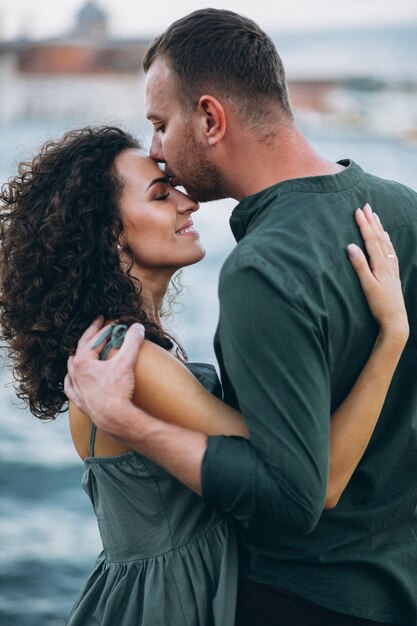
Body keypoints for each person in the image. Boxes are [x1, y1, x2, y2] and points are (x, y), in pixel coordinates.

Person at [64, 9, 417, 626]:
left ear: (209, 118)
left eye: (160, 125)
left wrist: (125, 419)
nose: (160, 154)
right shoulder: (401, 209)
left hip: (303, 598)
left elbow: (293, 491)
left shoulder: (264, 267)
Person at [0, 125, 409, 626]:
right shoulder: (133, 360)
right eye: (160, 194)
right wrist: (390, 337)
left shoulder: (130, 346)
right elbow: (309, 478)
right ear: (108, 232)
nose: (187, 202)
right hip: (171, 603)